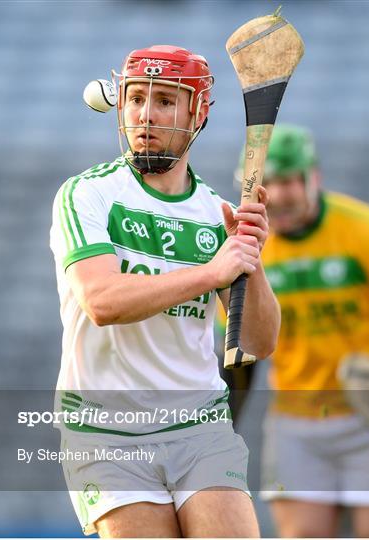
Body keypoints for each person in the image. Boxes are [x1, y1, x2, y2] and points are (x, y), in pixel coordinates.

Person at [50, 45, 280, 538]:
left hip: (199, 423)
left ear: (198, 112)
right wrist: (209, 273)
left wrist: (248, 259)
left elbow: (259, 343)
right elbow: (103, 303)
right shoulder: (87, 194)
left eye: (165, 102)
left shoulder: (216, 213)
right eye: (135, 99)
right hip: (107, 432)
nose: (145, 116)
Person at [229, 124, 369, 537]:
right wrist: (222, 432)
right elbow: (240, 356)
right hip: (297, 424)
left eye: (289, 181)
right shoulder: (248, 248)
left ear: (314, 177)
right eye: (266, 184)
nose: (278, 196)